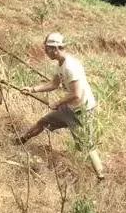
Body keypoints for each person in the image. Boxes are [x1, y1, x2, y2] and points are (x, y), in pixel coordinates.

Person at [16, 32, 104, 181]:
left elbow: (76, 94)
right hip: (69, 108)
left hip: (82, 110)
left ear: (55, 48)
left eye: (47, 49)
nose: (45, 51)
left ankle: (101, 176)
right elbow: (54, 84)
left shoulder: (70, 67)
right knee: (43, 122)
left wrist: (57, 103)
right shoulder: (60, 64)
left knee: (87, 145)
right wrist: (32, 89)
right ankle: (20, 141)